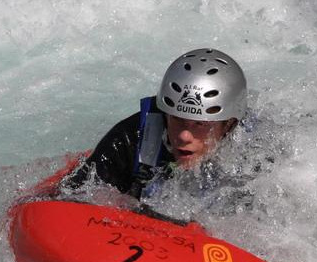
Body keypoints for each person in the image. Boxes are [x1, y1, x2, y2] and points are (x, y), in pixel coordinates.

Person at [55, 48, 248, 201]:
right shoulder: (131, 137)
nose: (184, 136)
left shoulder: (255, 157)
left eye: (199, 124)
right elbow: (73, 197)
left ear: (228, 125)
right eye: (177, 119)